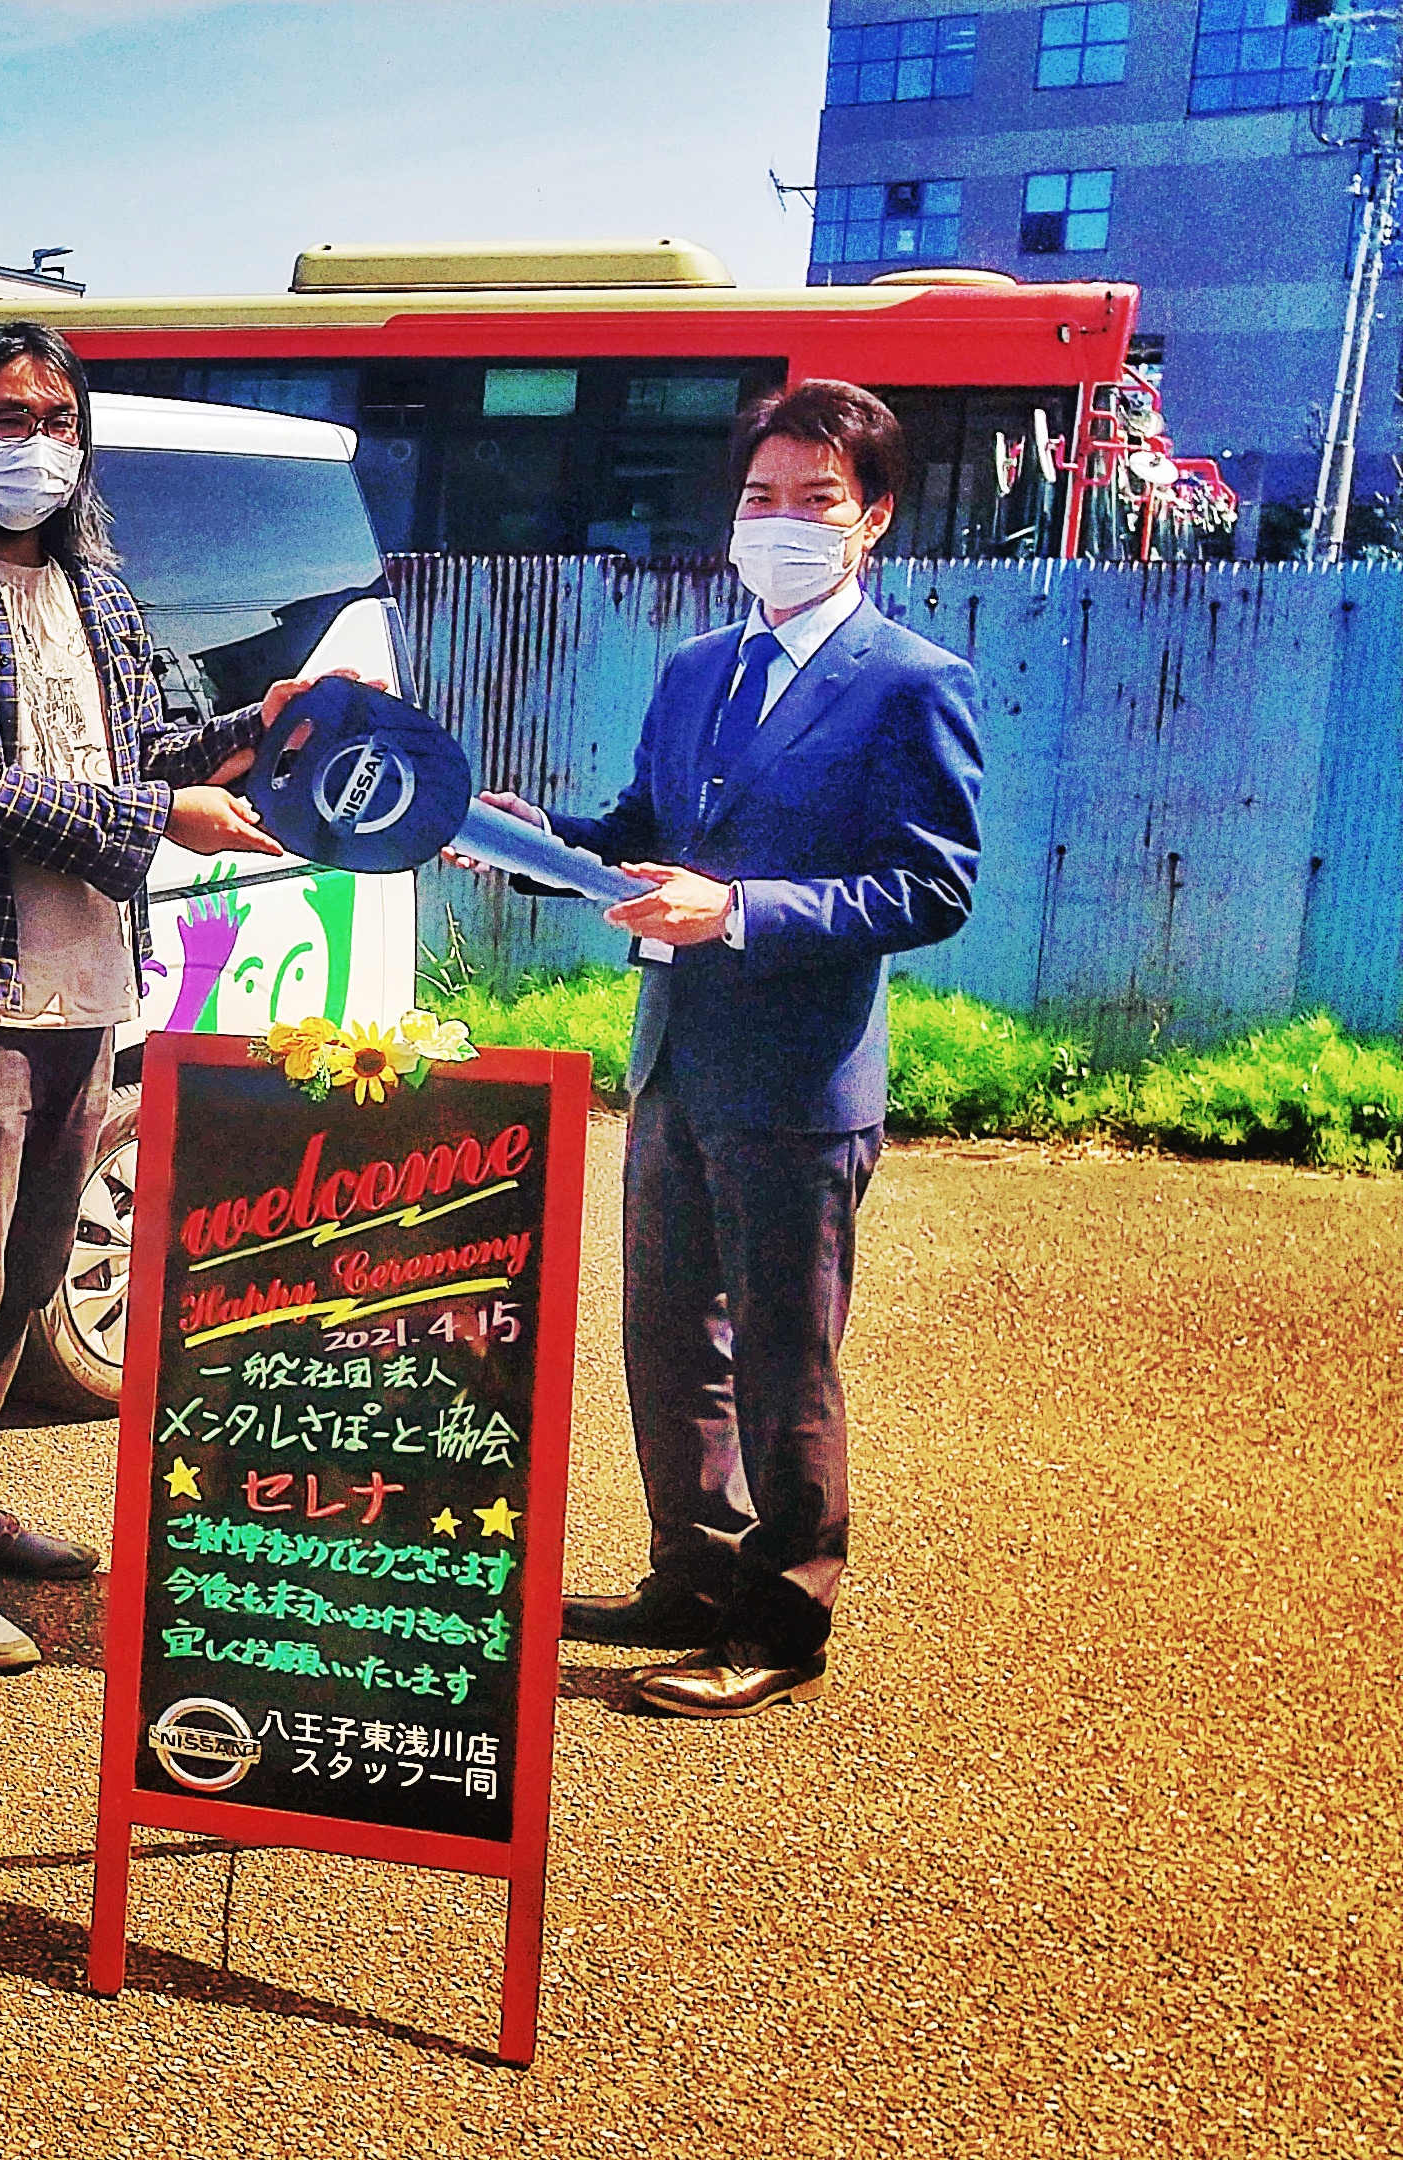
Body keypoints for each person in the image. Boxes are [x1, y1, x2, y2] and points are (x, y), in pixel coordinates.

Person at [472, 379, 984, 1717]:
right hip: (674, 1061)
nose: (781, 522)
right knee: (665, 1340)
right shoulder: (700, 668)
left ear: (873, 517)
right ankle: (690, 1576)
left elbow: (930, 888)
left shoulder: (913, 684)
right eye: (761, 497)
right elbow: (641, 831)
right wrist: (529, 843)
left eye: (817, 499)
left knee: (782, 1356)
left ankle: (781, 1619)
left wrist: (741, 911)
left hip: (801, 1080)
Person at [0, 319, 284, 1674]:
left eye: (58, 419)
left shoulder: (98, 592)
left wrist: (268, 723)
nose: (35, 443)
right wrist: (159, 815)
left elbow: (148, 745)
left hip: (86, 988)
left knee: (34, 1268)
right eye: (5, 417)